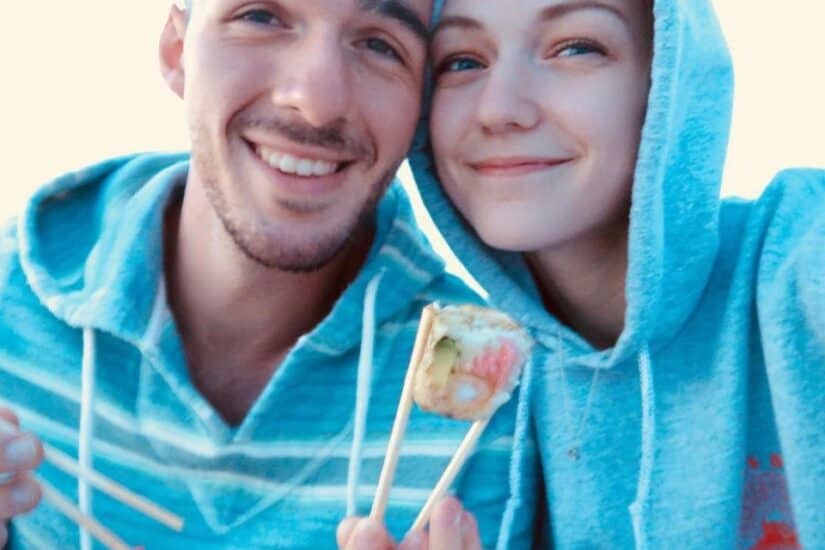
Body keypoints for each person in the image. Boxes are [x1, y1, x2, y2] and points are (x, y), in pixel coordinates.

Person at [0, 1, 531, 548]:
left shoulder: (497, 398)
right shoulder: (7, 301)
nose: (317, 102)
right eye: (260, 16)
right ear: (177, 51)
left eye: (379, 44)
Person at [404, 0, 823, 547]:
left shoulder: (798, 252)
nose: (498, 109)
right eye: (461, 61)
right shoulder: (485, 396)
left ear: (669, 82)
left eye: (577, 48)